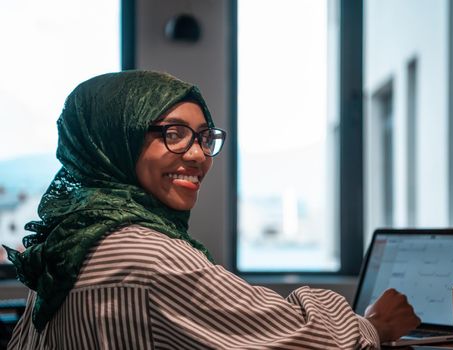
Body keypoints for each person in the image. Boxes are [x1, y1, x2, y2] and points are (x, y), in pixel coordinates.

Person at [4, 70, 420, 349]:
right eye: (174, 134)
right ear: (115, 140)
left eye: (205, 137)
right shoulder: (148, 255)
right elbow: (305, 340)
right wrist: (374, 325)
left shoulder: (68, 241)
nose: (199, 155)